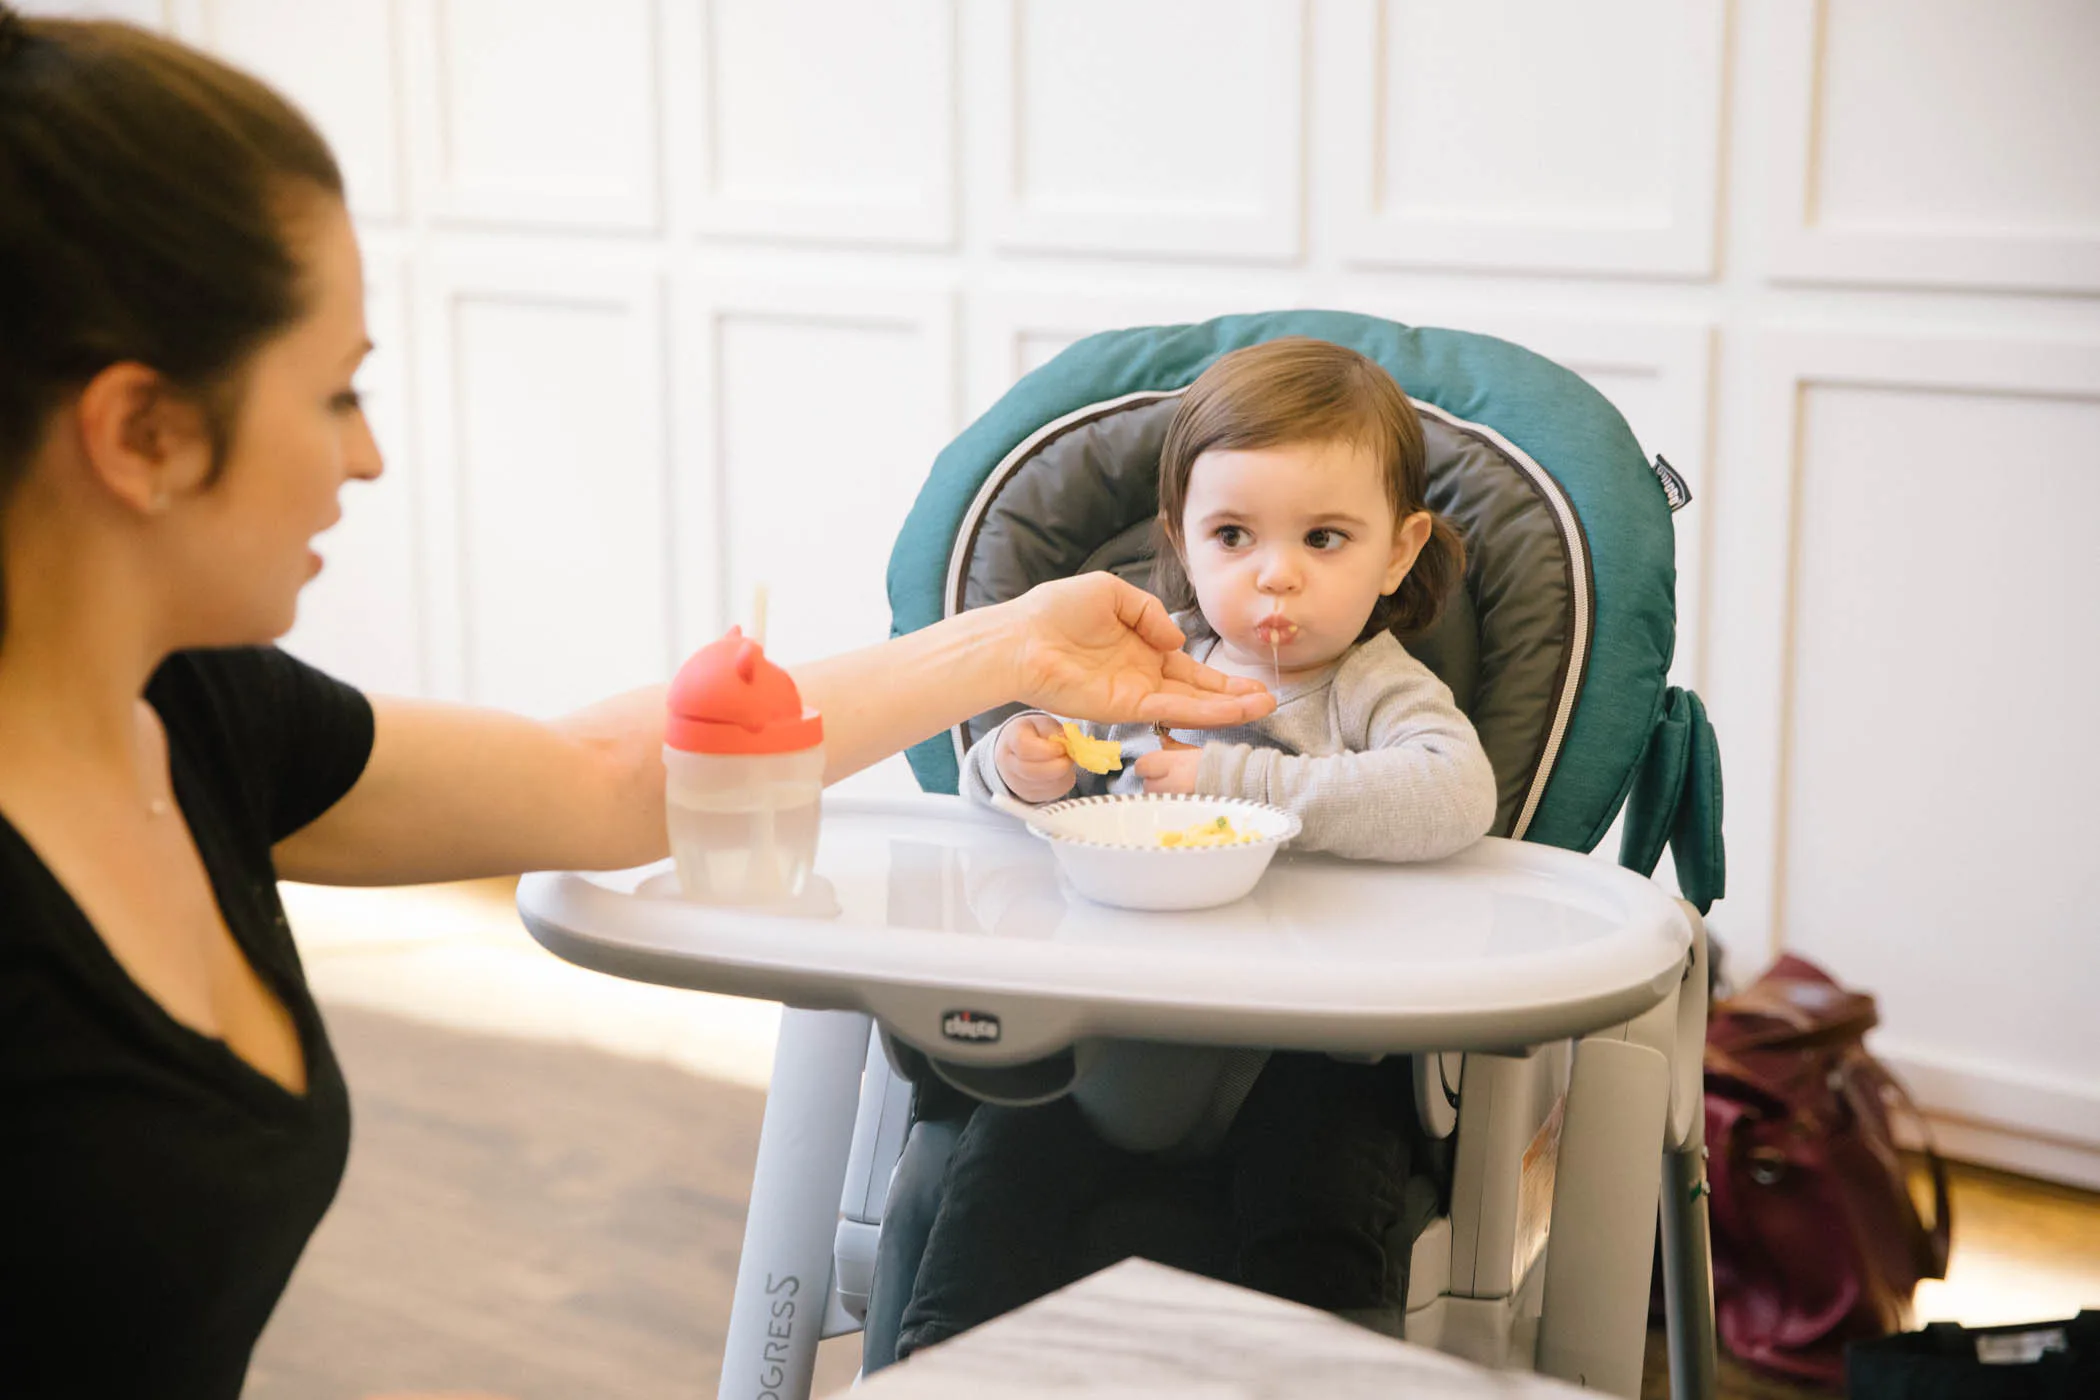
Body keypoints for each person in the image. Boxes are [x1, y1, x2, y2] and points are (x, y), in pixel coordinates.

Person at [0, 11, 1273, 1399]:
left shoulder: (198, 716)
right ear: (142, 432)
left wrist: (1011, 647)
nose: (365, 457)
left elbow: (608, 779)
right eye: (337, 392)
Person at [895, 337, 1497, 1358]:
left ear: (1398, 551)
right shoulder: (1145, 664)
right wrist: (1018, 765)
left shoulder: (1372, 686)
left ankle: (1306, 1369)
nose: (1276, 576)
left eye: (1324, 537)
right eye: (1234, 534)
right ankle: (947, 1356)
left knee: (1322, 1193)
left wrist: (1241, 779)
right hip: (1106, 1033)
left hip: (1308, 1047)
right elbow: (1007, 811)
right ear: (1183, 539)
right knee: (1003, 1156)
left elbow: (1454, 792)